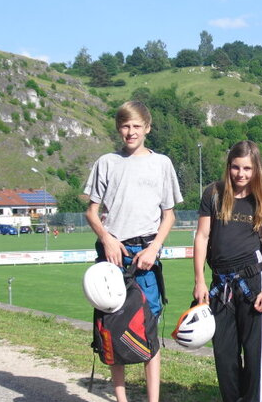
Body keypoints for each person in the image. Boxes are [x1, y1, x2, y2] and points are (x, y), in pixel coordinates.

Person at [83, 100, 183, 402]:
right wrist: (107, 238)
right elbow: (92, 211)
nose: (131, 132)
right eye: (125, 126)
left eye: (136, 126)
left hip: (146, 255)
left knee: (149, 329)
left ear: (147, 128)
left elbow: (169, 215)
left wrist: (154, 247)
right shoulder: (106, 163)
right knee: (113, 327)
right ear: (118, 128)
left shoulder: (162, 163)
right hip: (113, 255)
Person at [193, 140, 262, 402]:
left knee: (253, 353)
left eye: (247, 169)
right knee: (224, 353)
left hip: (252, 282)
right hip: (220, 284)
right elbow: (202, 236)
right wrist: (199, 281)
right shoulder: (214, 194)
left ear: (256, 170)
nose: (240, 174)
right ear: (228, 166)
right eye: (235, 167)